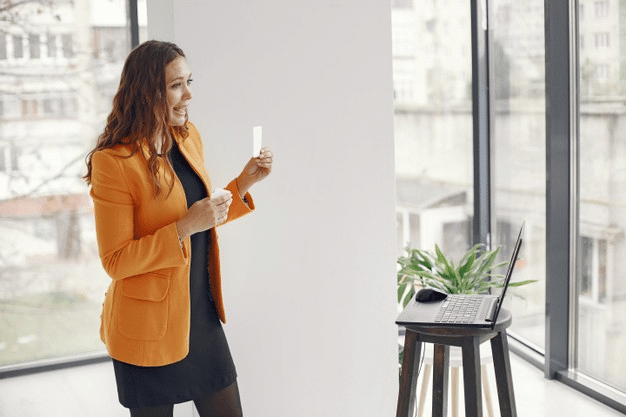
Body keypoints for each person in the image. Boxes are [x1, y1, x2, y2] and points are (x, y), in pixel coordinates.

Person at [84, 40, 273, 417]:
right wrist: (183, 227)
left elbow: (201, 218)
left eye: (189, 81)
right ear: (147, 92)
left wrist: (242, 185)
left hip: (199, 317)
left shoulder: (187, 137)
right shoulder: (114, 162)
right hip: (146, 330)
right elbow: (116, 260)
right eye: (176, 85)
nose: (188, 94)